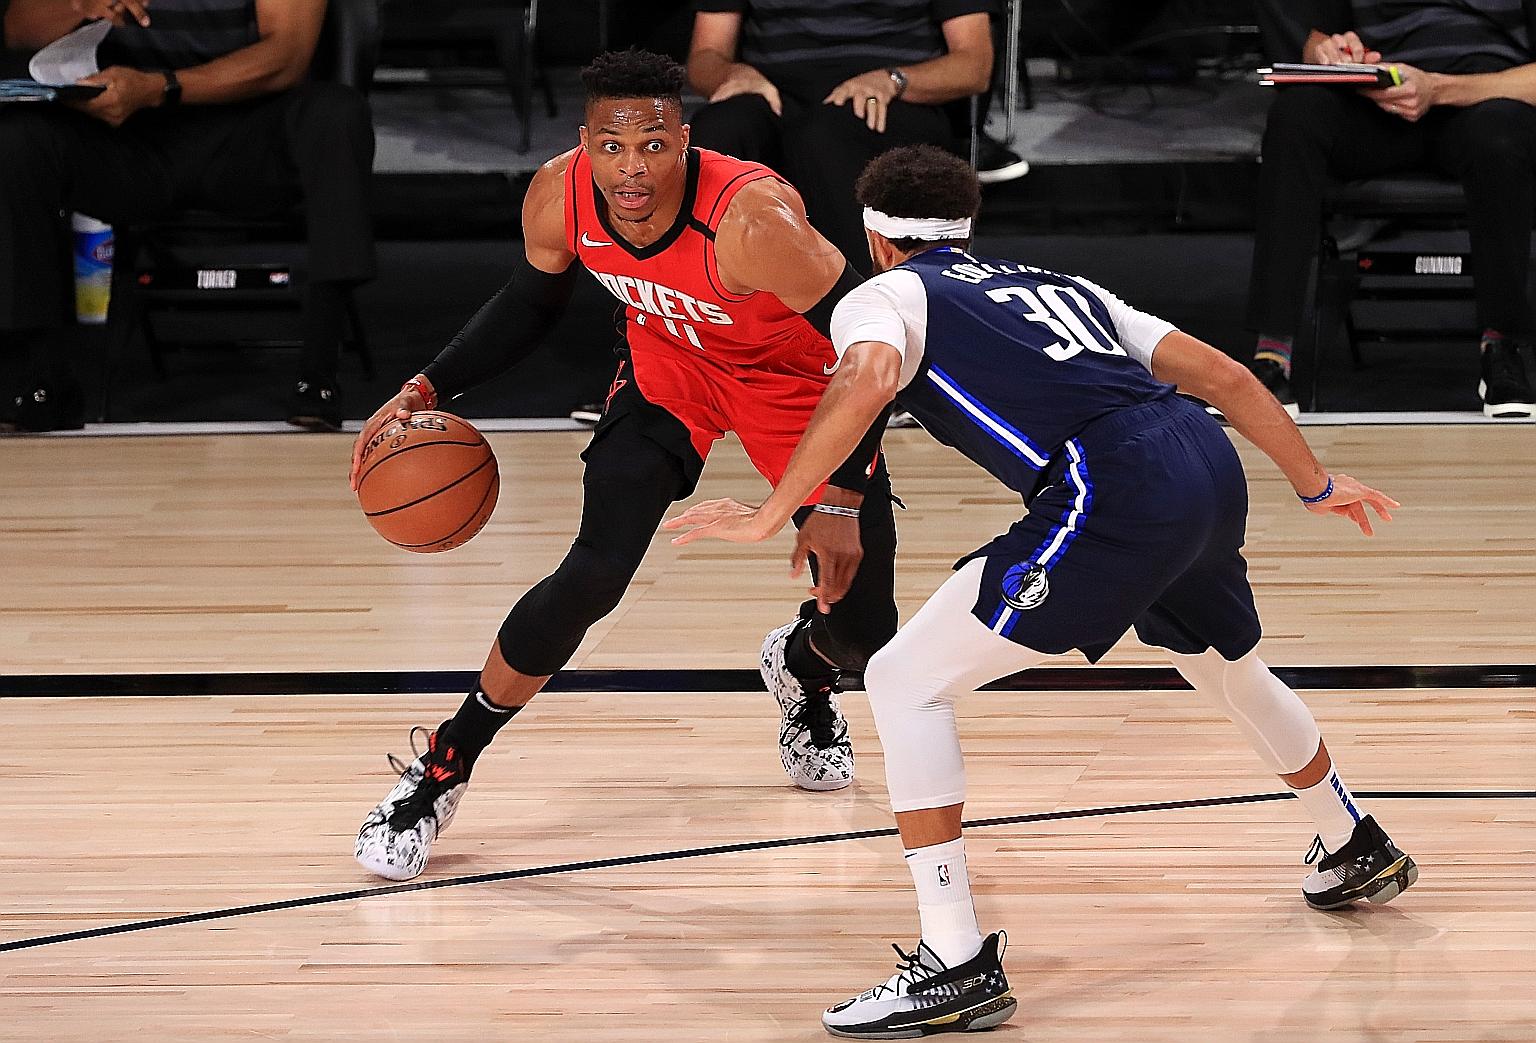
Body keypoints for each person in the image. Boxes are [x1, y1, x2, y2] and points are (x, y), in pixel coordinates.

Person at [668, 145, 1417, 1039]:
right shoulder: (1062, 284)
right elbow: (1223, 377)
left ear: (876, 237)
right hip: (1203, 460)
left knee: (906, 680)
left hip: (1111, 484)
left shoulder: (885, 295)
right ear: (968, 226)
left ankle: (953, 961)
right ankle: (1351, 840)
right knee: (1223, 667)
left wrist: (768, 513)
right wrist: (1314, 482)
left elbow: (864, 381)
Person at [348, 50, 899, 882]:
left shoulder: (751, 222)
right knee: (592, 572)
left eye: (652, 144)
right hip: (672, 368)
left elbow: (877, 339)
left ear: (686, 139)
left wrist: (846, 495)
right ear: (586, 142)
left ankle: (805, 668)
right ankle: (442, 767)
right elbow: (529, 303)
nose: (631, 168)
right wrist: (428, 382)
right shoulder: (559, 193)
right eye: (612, 146)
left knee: (866, 630)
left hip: (799, 383)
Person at [0, 0, 375, 432]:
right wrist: (78, 6)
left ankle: (319, 377)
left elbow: (287, 55)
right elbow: (17, 31)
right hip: (124, 137)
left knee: (337, 114)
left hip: (244, 137)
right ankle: (40, 381)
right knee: (16, 141)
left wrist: (163, 87)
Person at [1247, 0, 1536, 419]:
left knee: (1502, 141)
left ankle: (1503, 348)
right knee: (1295, 116)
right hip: (1377, 102)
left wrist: (1438, 88)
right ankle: (1272, 358)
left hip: (1483, 98)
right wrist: (1329, 55)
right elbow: (1315, 38)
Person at [685, 0, 994, 273]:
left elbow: (973, 65)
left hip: (890, 98)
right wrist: (730, 74)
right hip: (772, 92)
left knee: (820, 139)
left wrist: (894, 80)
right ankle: (709, 303)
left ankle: (859, 309)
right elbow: (706, 55)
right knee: (719, 128)